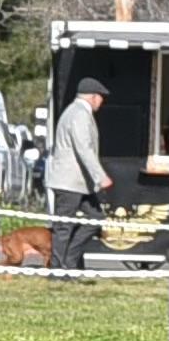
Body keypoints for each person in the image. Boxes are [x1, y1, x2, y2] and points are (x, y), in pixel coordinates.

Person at [50, 76, 109, 272]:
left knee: (95, 218)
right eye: (101, 97)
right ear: (93, 97)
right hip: (69, 182)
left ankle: (69, 262)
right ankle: (58, 270)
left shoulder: (75, 112)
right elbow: (84, 148)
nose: (102, 101)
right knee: (63, 227)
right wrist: (100, 177)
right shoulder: (79, 114)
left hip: (79, 183)